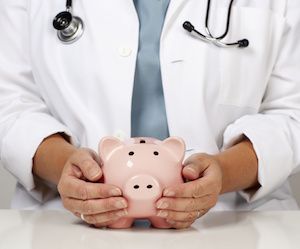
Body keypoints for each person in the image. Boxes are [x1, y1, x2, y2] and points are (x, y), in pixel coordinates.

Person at [0, 0, 299, 229]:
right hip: (63, 227)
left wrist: (224, 173)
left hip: (237, 223)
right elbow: (10, 101)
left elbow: (293, 111)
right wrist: (67, 167)